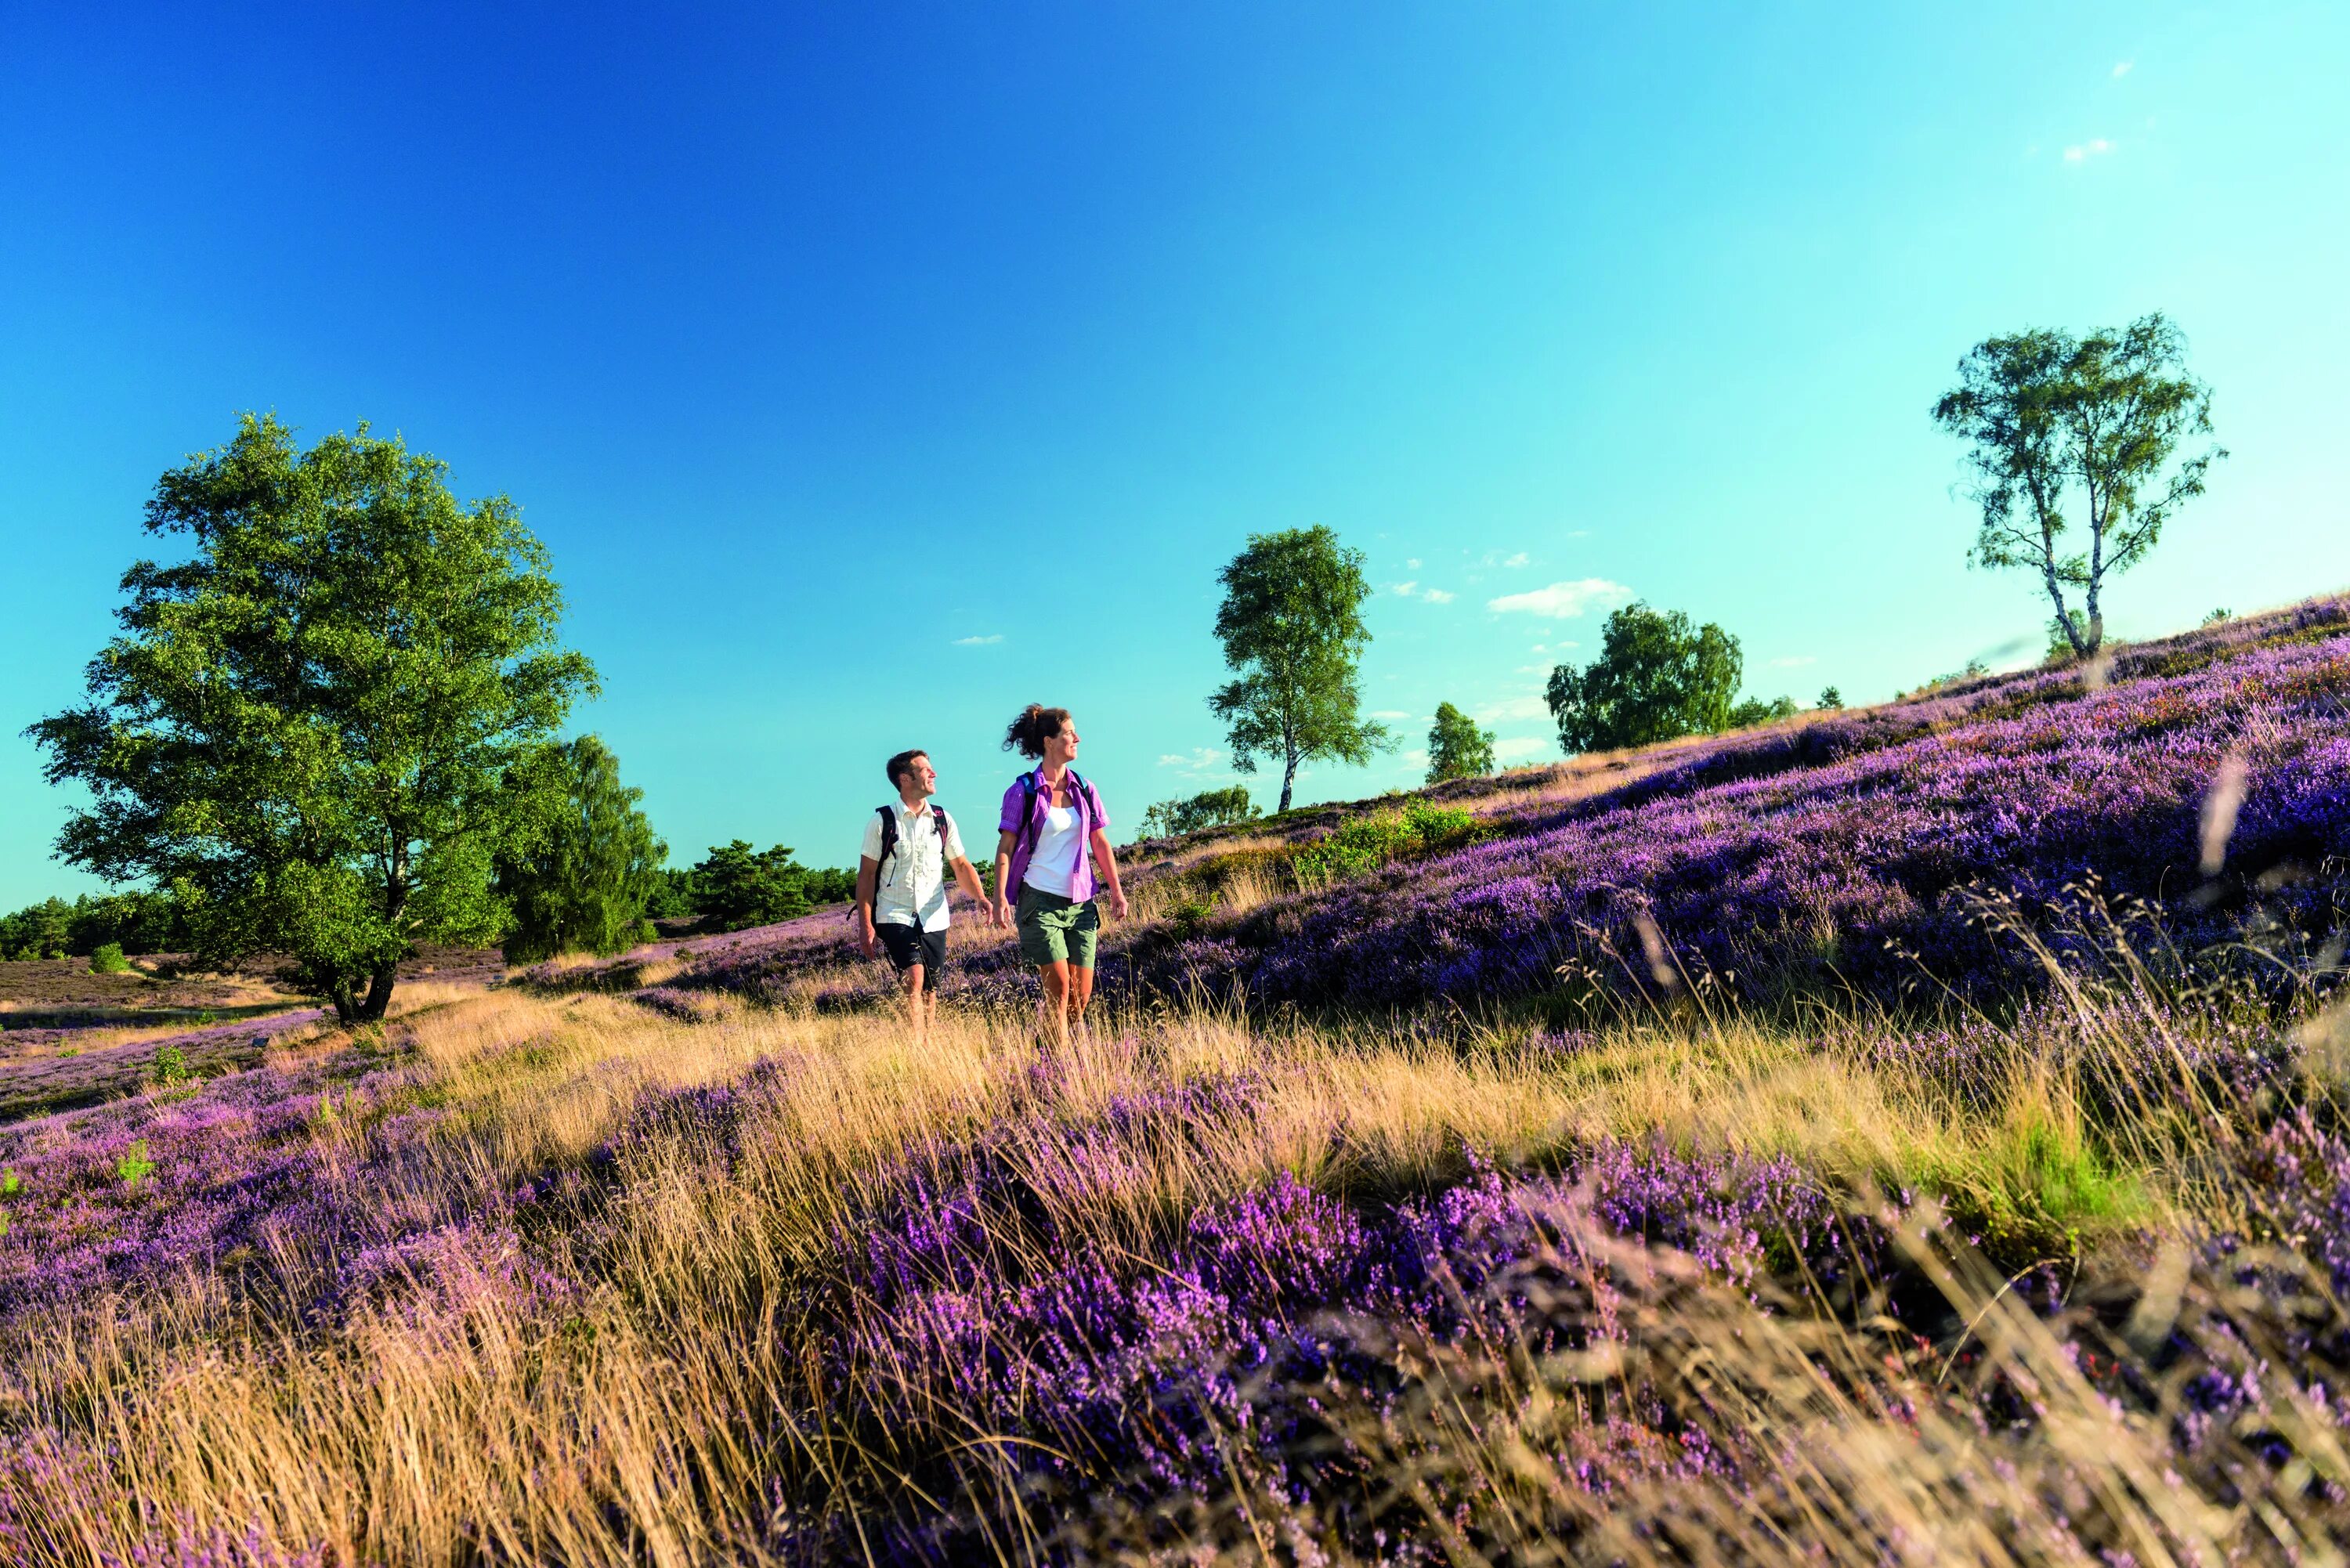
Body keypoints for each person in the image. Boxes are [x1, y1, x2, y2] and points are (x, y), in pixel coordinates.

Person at [992, 705, 1129, 1046]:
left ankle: (1045, 1046)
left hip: (1081, 904)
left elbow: (1099, 840)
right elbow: (1006, 847)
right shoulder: (1022, 790)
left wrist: (1116, 889)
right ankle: (1059, 1068)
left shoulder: (1084, 787)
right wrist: (1000, 899)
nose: (1077, 738)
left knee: (1081, 996)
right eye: (1070, 732)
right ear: (1050, 741)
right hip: (1039, 901)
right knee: (1059, 988)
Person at [856, 748, 990, 1046]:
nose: (934, 774)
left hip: (934, 915)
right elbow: (866, 876)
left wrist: (980, 897)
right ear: (905, 779)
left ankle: (927, 1042)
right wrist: (866, 925)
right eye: (926, 769)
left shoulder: (942, 819)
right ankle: (914, 1043)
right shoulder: (882, 822)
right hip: (893, 913)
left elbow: (961, 865)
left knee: (930, 986)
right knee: (914, 976)